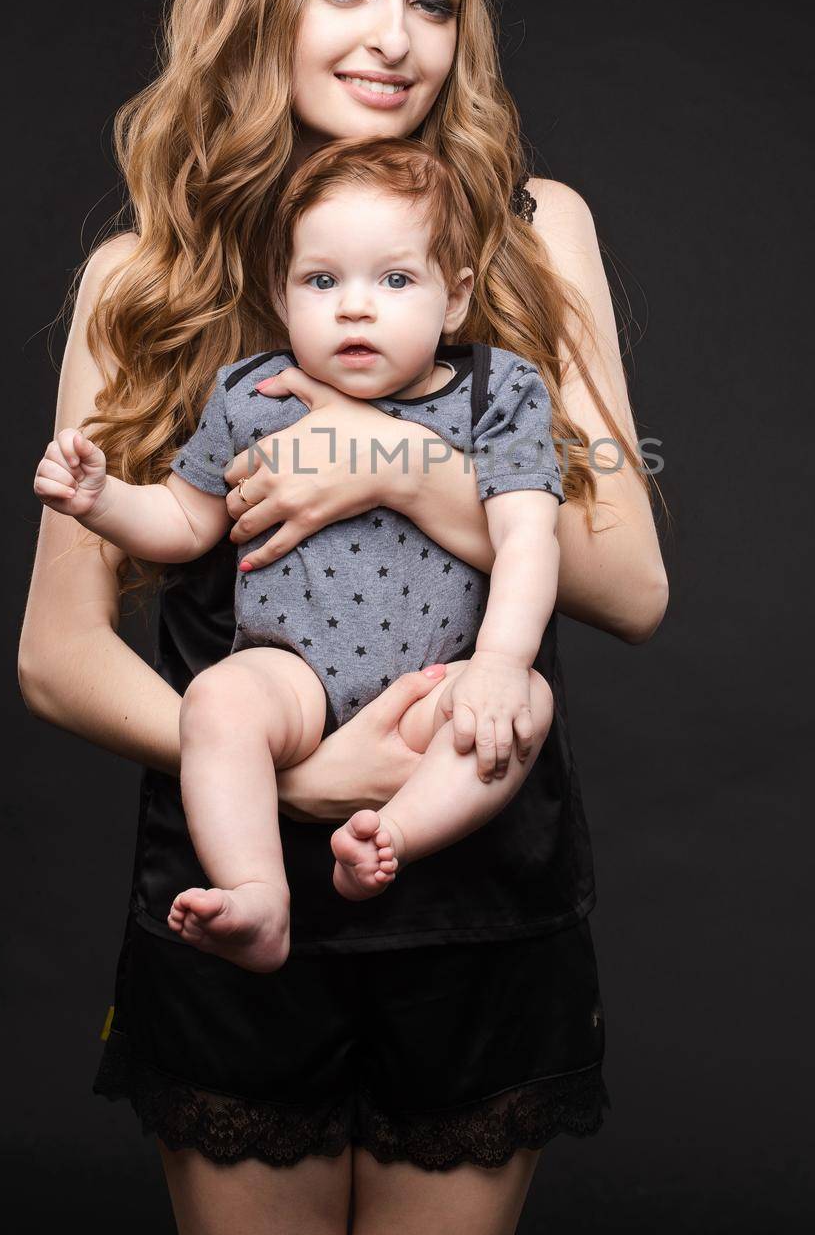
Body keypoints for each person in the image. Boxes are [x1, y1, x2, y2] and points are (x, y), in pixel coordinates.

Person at [18, 0, 668, 1235]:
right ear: (259, 4)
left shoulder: (530, 230)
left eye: (432, 1)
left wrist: (403, 468)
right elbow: (61, 658)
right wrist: (303, 781)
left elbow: (628, 585)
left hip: (478, 891)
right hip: (237, 881)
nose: (395, 39)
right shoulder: (144, 278)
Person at [34, 136, 566, 971]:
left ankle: (388, 833)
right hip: (294, 676)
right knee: (216, 700)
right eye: (322, 281)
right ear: (283, 297)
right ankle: (257, 896)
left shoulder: (497, 392)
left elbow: (527, 533)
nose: (355, 307)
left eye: (394, 280)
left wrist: (498, 660)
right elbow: (185, 520)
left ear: (453, 297)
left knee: (519, 704)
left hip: (432, 683)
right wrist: (104, 502)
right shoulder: (254, 395)